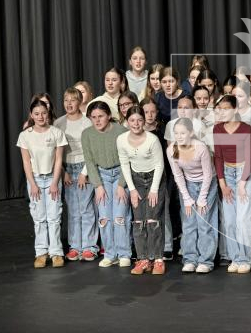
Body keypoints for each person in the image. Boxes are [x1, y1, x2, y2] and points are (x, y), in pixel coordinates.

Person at [17, 98, 68, 268]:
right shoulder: (25, 135)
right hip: (36, 180)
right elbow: (26, 162)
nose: (40, 117)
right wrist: (32, 183)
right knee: (39, 218)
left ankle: (56, 253)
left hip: (52, 178)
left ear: (48, 114)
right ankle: (41, 252)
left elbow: (59, 159)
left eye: (43, 113)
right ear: (31, 115)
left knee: (54, 217)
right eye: (37, 114)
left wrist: (55, 182)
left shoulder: (56, 133)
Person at [117, 106, 166, 275]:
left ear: (144, 121)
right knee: (138, 220)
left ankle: (158, 259)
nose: (136, 124)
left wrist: (154, 189)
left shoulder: (152, 139)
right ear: (127, 121)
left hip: (155, 178)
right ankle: (143, 259)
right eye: (132, 120)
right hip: (136, 179)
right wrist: (131, 189)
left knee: (153, 219)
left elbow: (160, 164)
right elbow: (124, 164)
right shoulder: (121, 140)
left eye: (139, 120)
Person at [81, 101, 131, 268]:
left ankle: (124, 253)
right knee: (104, 217)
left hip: (119, 174)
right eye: (93, 117)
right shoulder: (87, 134)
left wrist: (121, 185)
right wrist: (98, 186)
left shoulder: (121, 131)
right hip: (101, 176)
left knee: (119, 216)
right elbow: (89, 161)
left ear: (109, 115)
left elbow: (126, 160)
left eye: (100, 116)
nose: (97, 120)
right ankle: (110, 253)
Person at [168, 118, 219, 274]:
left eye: (183, 133)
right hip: (188, 185)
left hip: (207, 184)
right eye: (176, 133)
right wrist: (187, 198)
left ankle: (206, 260)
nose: (179, 136)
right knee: (189, 223)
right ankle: (190, 259)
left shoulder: (200, 147)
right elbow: (178, 175)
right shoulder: (171, 150)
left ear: (190, 133)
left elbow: (208, 174)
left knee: (204, 223)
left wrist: (202, 198)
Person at [53, 88, 98, 262]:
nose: (69, 104)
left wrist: (84, 173)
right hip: (67, 168)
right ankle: (75, 246)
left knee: (86, 208)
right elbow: (55, 153)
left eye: (73, 100)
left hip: (83, 167)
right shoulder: (58, 123)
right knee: (73, 209)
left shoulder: (87, 123)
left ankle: (89, 246)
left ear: (80, 102)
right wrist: (63, 172)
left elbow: (91, 152)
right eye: (66, 100)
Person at [213, 95, 251, 273]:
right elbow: (218, 157)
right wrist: (222, 184)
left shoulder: (246, 129)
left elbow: (249, 156)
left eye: (226, 108)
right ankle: (235, 257)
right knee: (229, 220)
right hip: (227, 174)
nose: (222, 112)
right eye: (219, 109)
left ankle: (245, 258)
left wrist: (242, 182)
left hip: (244, 173)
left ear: (235, 109)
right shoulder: (217, 129)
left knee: (243, 219)